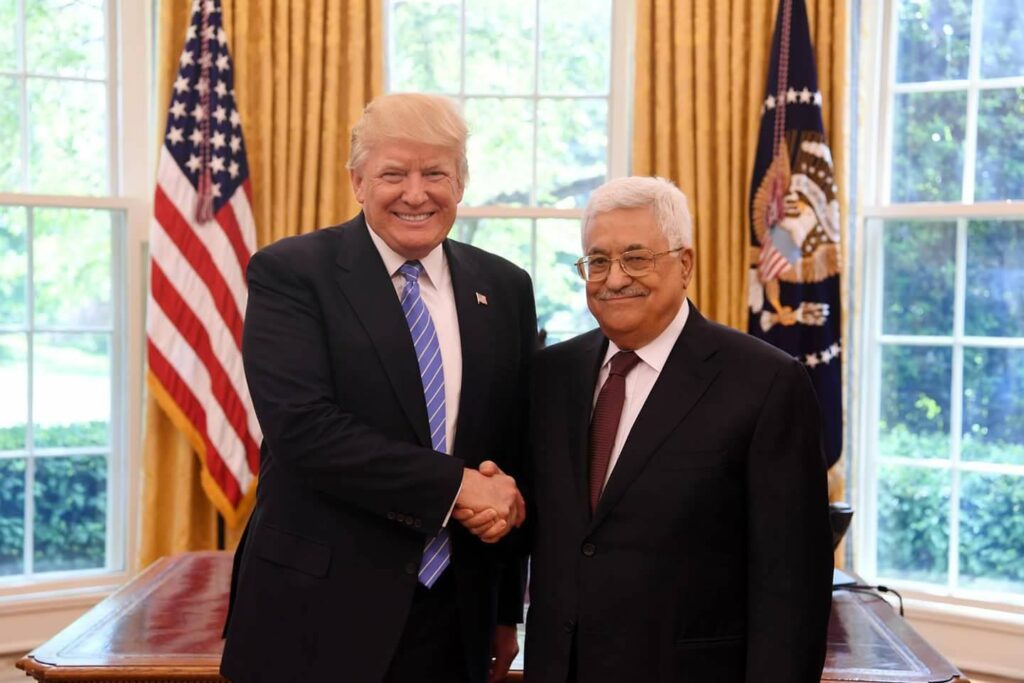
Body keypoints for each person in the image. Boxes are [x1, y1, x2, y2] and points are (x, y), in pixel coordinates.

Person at [221, 93, 536, 683]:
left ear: (461, 181)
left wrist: (502, 611)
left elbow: (509, 448)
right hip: (316, 618)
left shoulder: (505, 287)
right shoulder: (292, 273)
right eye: (394, 174)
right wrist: (457, 486)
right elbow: (304, 431)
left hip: (456, 619)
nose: (416, 194)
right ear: (358, 182)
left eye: (435, 173)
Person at [523, 176, 833, 682]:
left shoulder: (767, 383)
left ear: (684, 264)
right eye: (597, 261)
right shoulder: (550, 375)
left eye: (636, 258)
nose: (613, 278)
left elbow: (791, 585)